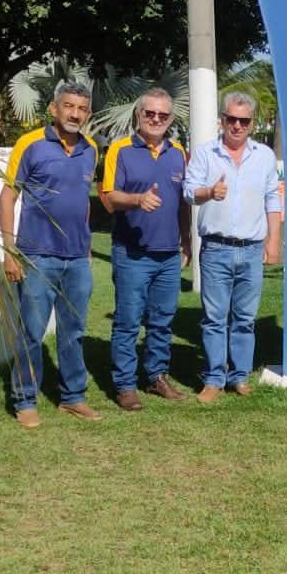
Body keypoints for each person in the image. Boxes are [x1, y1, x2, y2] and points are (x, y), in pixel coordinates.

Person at [0, 83, 102, 427]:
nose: (75, 113)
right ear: (55, 109)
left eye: (82, 108)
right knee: (32, 331)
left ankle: (73, 397)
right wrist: (9, 250)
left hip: (76, 259)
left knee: (73, 331)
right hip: (36, 255)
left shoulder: (91, 150)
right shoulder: (29, 145)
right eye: (69, 106)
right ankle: (25, 400)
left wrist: (86, 249)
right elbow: (8, 196)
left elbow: (82, 202)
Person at [183, 91, 283, 402]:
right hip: (216, 248)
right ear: (222, 120)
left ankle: (238, 376)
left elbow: (272, 198)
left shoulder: (264, 156)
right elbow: (188, 192)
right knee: (214, 318)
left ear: (252, 124)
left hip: (252, 248)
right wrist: (208, 192)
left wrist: (274, 241)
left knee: (244, 318)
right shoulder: (205, 153)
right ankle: (214, 378)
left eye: (244, 120)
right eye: (231, 119)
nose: (237, 126)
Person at [99, 87, 191, 411]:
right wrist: (137, 199)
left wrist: (187, 242)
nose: (155, 119)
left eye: (162, 115)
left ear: (170, 119)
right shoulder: (120, 150)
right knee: (128, 320)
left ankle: (156, 376)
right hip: (132, 253)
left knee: (162, 321)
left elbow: (183, 204)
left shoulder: (179, 152)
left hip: (168, 254)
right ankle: (125, 384)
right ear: (139, 115)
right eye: (149, 113)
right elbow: (108, 197)